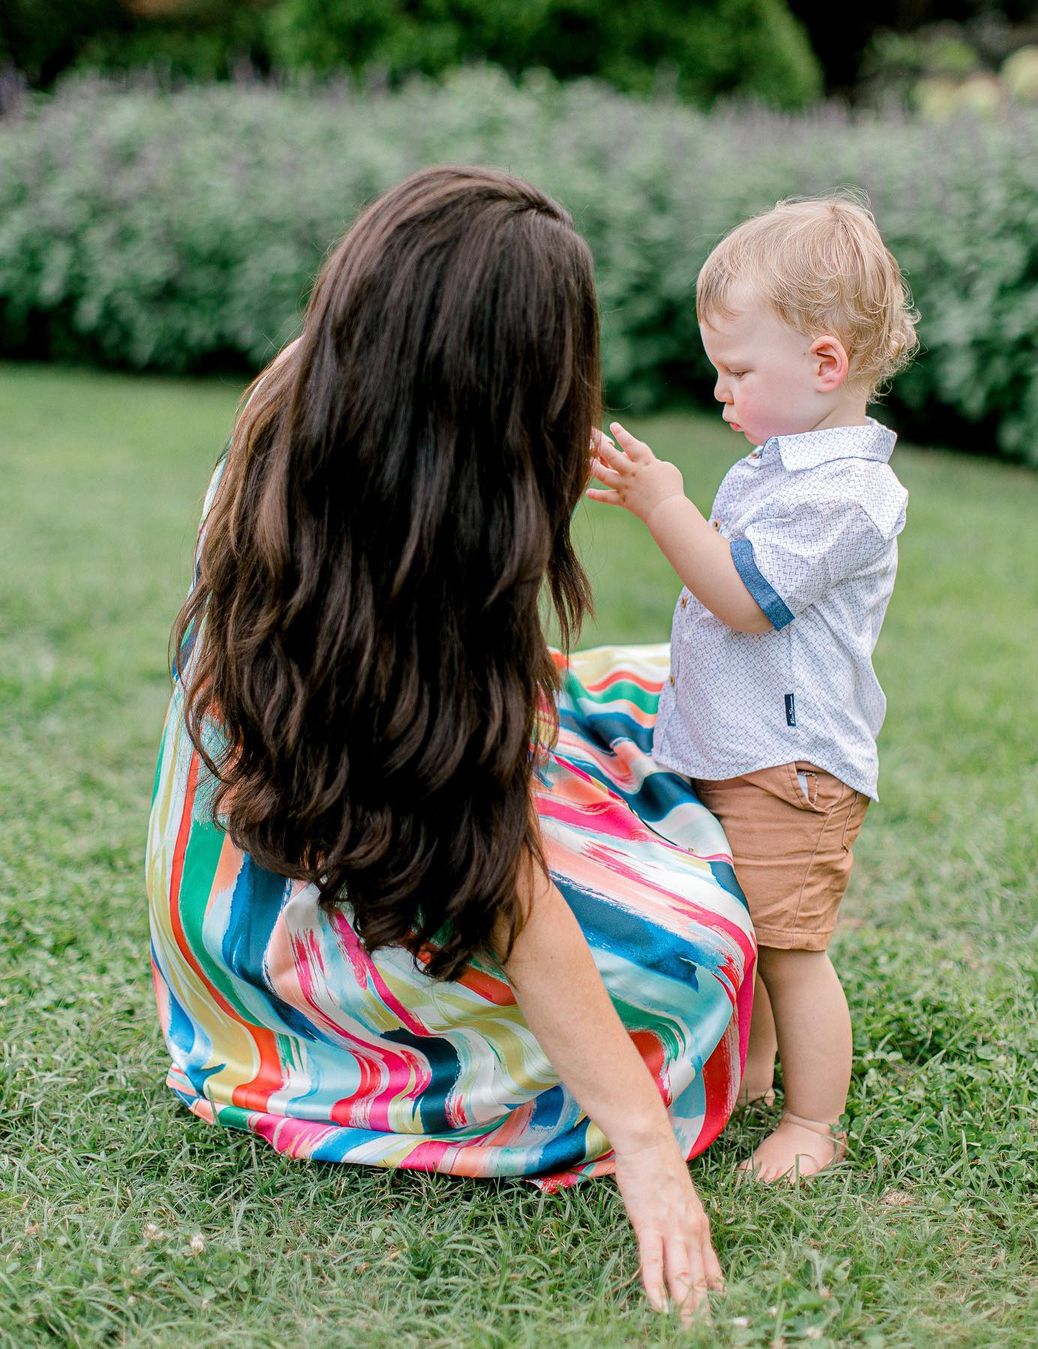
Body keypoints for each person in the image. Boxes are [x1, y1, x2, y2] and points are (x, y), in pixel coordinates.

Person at [147, 165, 756, 1322]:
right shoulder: (416, 565)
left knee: (668, 688)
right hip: (292, 923)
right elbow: (507, 892)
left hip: (234, 849)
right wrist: (643, 1142)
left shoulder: (301, 397)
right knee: (695, 958)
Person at [588, 193, 919, 1183]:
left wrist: (665, 506)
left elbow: (742, 599)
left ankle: (814, 1120)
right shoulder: (781, 468)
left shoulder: (848, 495)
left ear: (825, 364)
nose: (721, 391)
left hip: (791, 768)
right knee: (751, 931)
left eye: (738, 371)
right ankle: (760, 1073)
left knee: (790, 948)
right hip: (741, 749)